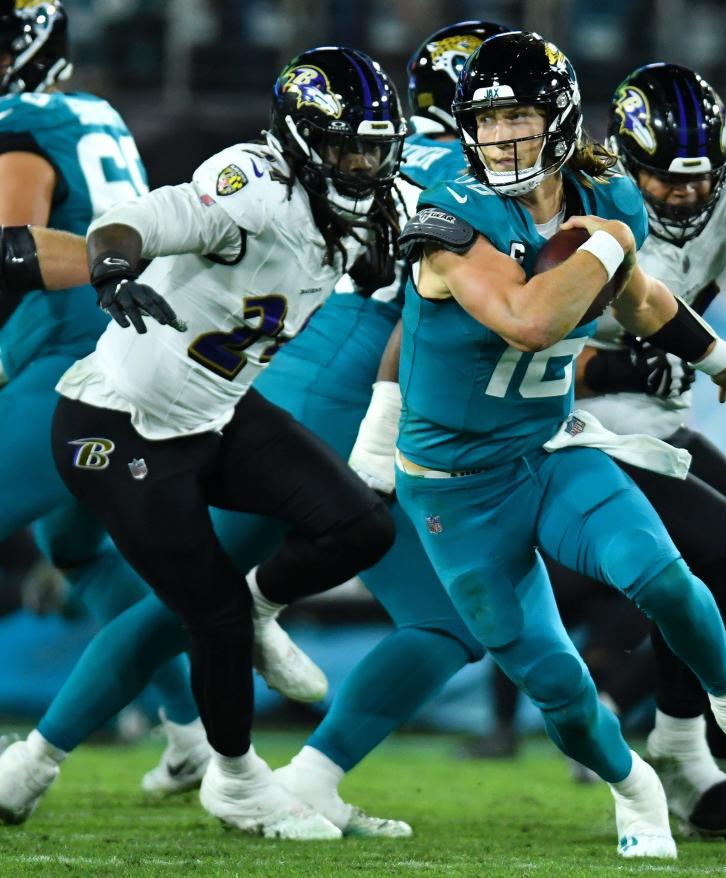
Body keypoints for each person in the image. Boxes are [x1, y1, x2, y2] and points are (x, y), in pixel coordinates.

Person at [0, 23, 500, 838]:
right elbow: (140, 220)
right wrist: (114, 263)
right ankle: (234, 779)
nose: (364, 168)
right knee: (210, 620)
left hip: (218, 413)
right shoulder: (250, 184)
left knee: (357, 528)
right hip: (120, 424)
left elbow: (417, 249)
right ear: (303, 143)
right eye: (346, 152)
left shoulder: (384, 201)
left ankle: (259, 606)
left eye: (376, 151)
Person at [386, 31, 726, 859]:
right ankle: (636, 787)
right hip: (454, 487)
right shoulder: (448, 208)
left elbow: (639, 300)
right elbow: (529, 322)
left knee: (661, 573)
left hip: (549, 450)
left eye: (519, 116)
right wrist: (606, 243)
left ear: (557, 117)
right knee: (558, 692)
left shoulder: (607, 196)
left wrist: (714, 356)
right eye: (486, 122)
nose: (501, 139)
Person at [0, 0, 200, 803]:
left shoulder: (19, 120)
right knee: (80, 551)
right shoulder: (94, 111)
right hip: (121, 355)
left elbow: (12, 251)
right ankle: (196, 739)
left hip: (69, 365)